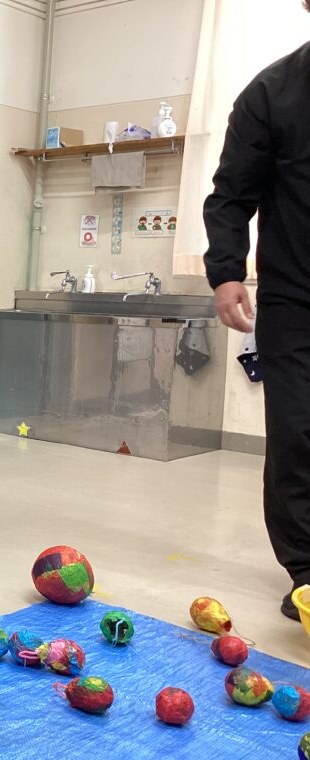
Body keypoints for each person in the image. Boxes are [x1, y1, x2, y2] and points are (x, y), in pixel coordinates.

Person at [203, 12, 310, 621]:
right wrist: (225, 271)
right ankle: (307, 574)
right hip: (294, 300)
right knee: (297, 433)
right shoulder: (271, 93)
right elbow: (231, 195)